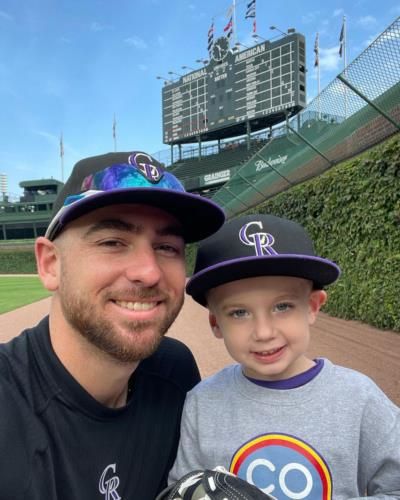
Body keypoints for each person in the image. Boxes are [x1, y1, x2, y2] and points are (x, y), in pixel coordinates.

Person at [0, 151, 225, 500]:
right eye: (112, 242)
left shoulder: (174, 370)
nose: (149, 272)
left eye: (167, 247)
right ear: (50, 264)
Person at [169, 213, 400, 499]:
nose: (264, 332)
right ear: (216, 324)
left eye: (283, 307)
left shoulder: (359, 397)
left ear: (313, 307)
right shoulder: (202, 402)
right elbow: (185, 488)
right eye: (239, 313)